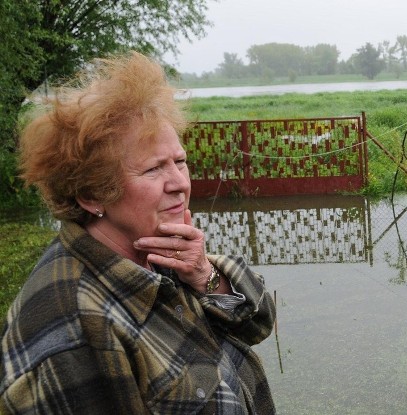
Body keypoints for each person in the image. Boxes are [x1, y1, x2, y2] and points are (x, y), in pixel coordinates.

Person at [0, 52, 276, 413]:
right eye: (152, 170)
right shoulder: (76, 332)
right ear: (92, 194)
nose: (179, 183)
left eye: (180, 161)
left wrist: (205, 276)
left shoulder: (154, 249)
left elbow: (258, 325)